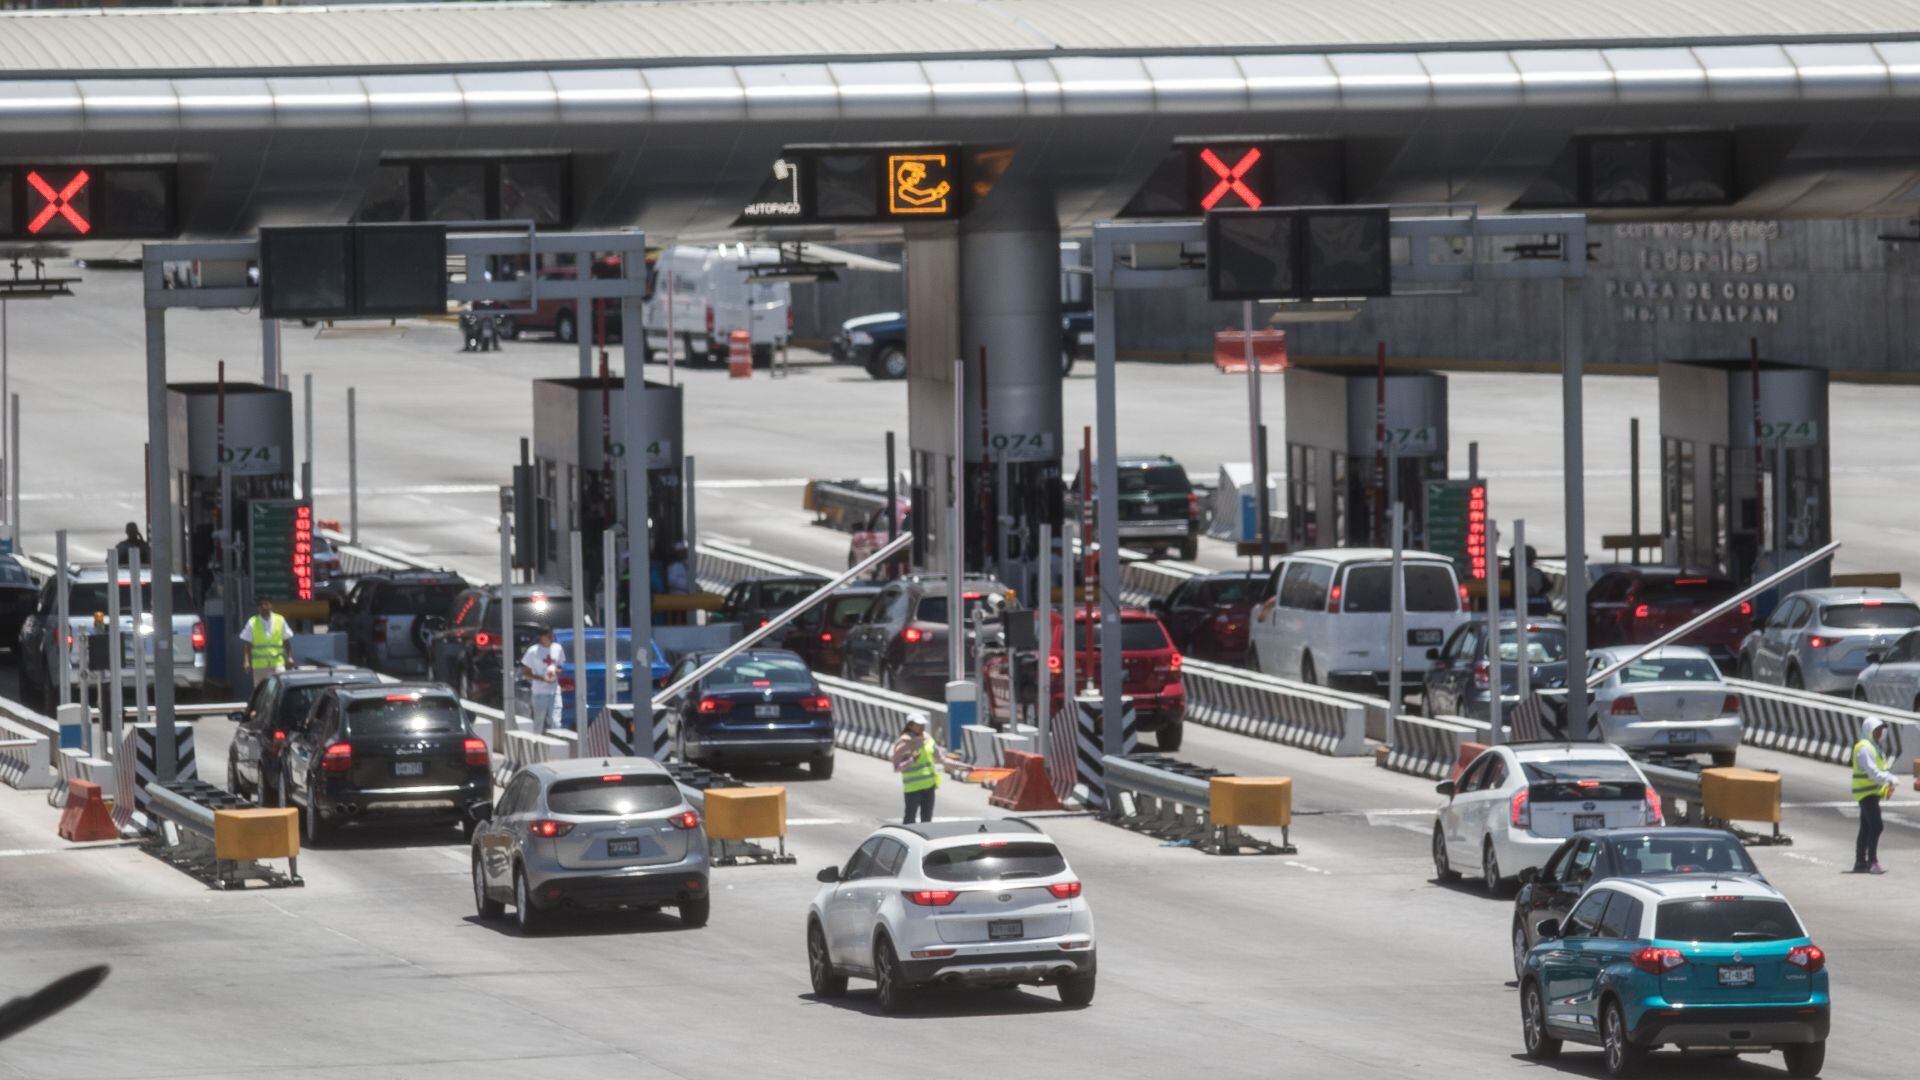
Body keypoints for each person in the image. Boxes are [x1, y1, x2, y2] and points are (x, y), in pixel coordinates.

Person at [890, 713, 962, 825]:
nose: (922, 727)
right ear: (910, 726)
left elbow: (942, 758)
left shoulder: (927, 739)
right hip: (913, 788)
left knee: (927, 820)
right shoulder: (904, 742)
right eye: (918, 725)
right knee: (910, 819)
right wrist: (912, 760)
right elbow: (897, 767)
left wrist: (963, 766)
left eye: (923, 724)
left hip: (929, 786)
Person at [1852, 717, 1899, 874]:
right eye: (1877, 730)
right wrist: (1890, 778)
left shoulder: (1875, 747)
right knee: (1876, 826)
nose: (1880, 733)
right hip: (1866, 793)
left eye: (1881, 730)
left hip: (1872, 792)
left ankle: (1860, 862)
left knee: (1866, 828)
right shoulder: (1864, 748)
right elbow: (1872, 772)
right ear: (1869, 731)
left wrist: (1886, 786)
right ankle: (1872, 862)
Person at [240, 596, 291, 691]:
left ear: (271, 606)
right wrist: (246, 661)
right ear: (258, 608)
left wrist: (289, 657)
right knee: (261, 691)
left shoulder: (280, 620)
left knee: (279, 690)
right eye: (261, 605)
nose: (264, 607)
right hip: (260, 666)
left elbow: (286, 640)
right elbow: (247, 643)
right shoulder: (252, 622)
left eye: (266, 604)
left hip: (277, 663)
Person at [519, 627, 565, 729]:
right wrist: (542, 679)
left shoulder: (558, 648)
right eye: (548, 636)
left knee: (555, 722)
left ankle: (556, 743)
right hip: (539, 693)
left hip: (554, 691)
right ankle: (537, 742)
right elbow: (526, 672)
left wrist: (556, 672)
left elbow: (560, 666)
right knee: (539, 722)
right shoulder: (533, 651)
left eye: (551, 635)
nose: (551, 638)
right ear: (541, 637)